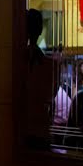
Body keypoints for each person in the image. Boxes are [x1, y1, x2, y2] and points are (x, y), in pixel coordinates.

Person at [24, 9, 55, 149]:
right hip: (40, 127)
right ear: (40, 30)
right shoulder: (50, 64)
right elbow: (49, 96)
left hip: (18, 128)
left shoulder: (11, 61)